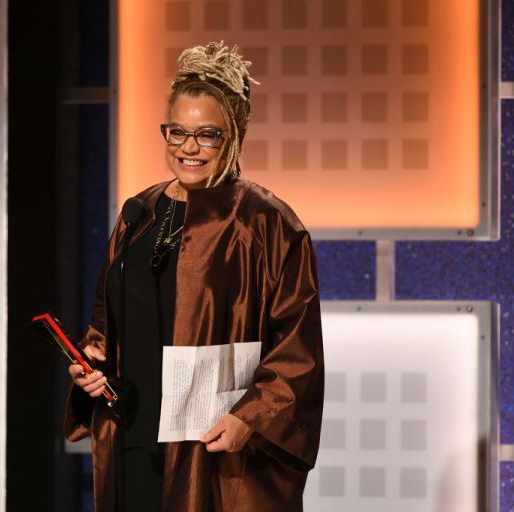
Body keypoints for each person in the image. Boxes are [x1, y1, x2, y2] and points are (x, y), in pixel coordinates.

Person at [65, 42, 324, 511]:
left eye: (207, 135)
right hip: (134, 432)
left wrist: (252, 418)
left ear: (235, 135)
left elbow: (297, 349)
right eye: (177, 132)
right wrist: (91, 365)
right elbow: (105, 320)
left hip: (213, 445)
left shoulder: (266, 223)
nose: (188, 147)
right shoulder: (137, 214)